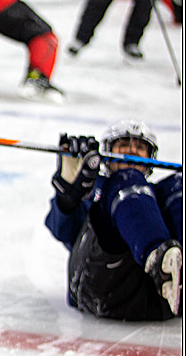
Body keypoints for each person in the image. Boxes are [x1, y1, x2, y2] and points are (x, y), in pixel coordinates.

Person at [45, 119, 182, 320]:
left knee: (178, 184)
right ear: (108, 154)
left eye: (140, 147)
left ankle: (175, 274)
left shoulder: (155, 197)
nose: (132, 151)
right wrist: (69, 197)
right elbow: (62, 231)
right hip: (102, 285)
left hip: (159, 299)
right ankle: (159, 259)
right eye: (124, 144)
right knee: (126, 181)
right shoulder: (95, 188)